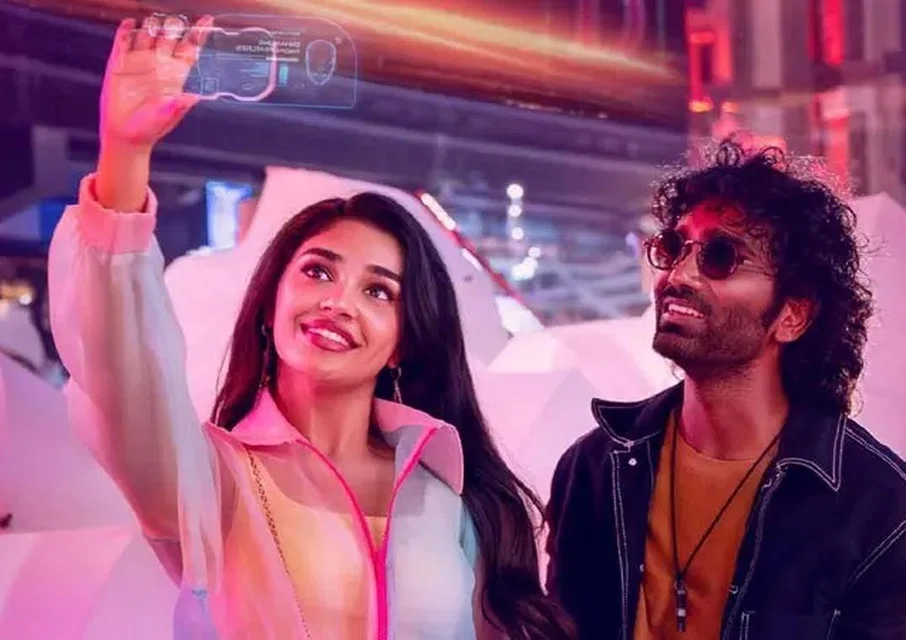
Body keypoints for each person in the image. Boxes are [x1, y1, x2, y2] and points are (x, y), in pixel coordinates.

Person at [48, 15, 574, 639]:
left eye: (378, 291)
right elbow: (124, 367)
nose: (339, 302)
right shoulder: (207, 480)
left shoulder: (449, 498)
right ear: (269, 303)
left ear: (404, 341)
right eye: (318, 272)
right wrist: (125, 155)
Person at [545, 139, 906, 640]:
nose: (678, 275)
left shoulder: (887, 512)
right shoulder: (595, 467)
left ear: (792, 315)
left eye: (721, 256)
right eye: (674, 248)